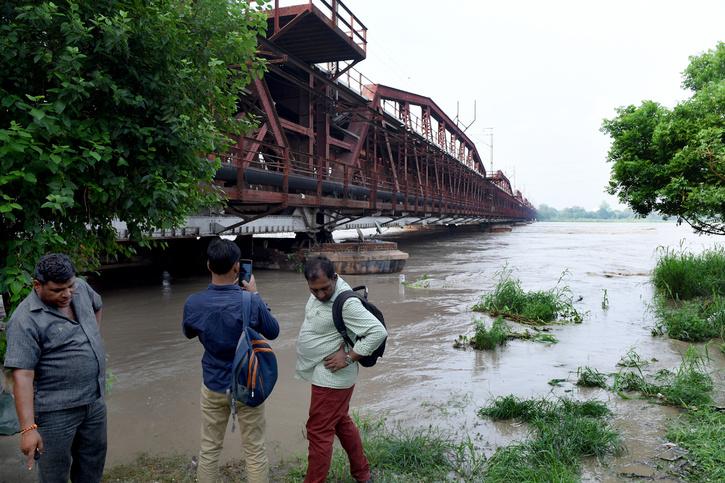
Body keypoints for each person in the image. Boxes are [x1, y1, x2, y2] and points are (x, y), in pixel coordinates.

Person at [182, 238, 280, 483]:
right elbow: (274, 331)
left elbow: (189, 332)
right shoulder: (250, 301)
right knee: (255, 450)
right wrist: (255, 294)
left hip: (213, 384)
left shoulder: (193, 303)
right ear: (238, 267)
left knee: (209, 449)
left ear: (208, 265)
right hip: (248, 382)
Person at [3, 253, 107, 482]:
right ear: (37, 285)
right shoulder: (25, 320)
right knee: (55, 475)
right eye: (58, 290)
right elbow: (23, 375)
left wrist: (91, 339)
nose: (67, 294)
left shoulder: (79, 288)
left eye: (70, 286)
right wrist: (28, 429)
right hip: (55, 413)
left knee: (92, 465)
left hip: (94, 400)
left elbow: (97, 304)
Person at [296, 256, 387, 483]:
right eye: (314, 290)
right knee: (340, 422)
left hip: (332, 379)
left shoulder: (346, 303)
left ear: (335, 278)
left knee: (318, 432)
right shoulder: (321, 289)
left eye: (325, 289)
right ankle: (362, 474)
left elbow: (378, 332)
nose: (320, 295)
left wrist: (349, 357)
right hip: (326, 374)